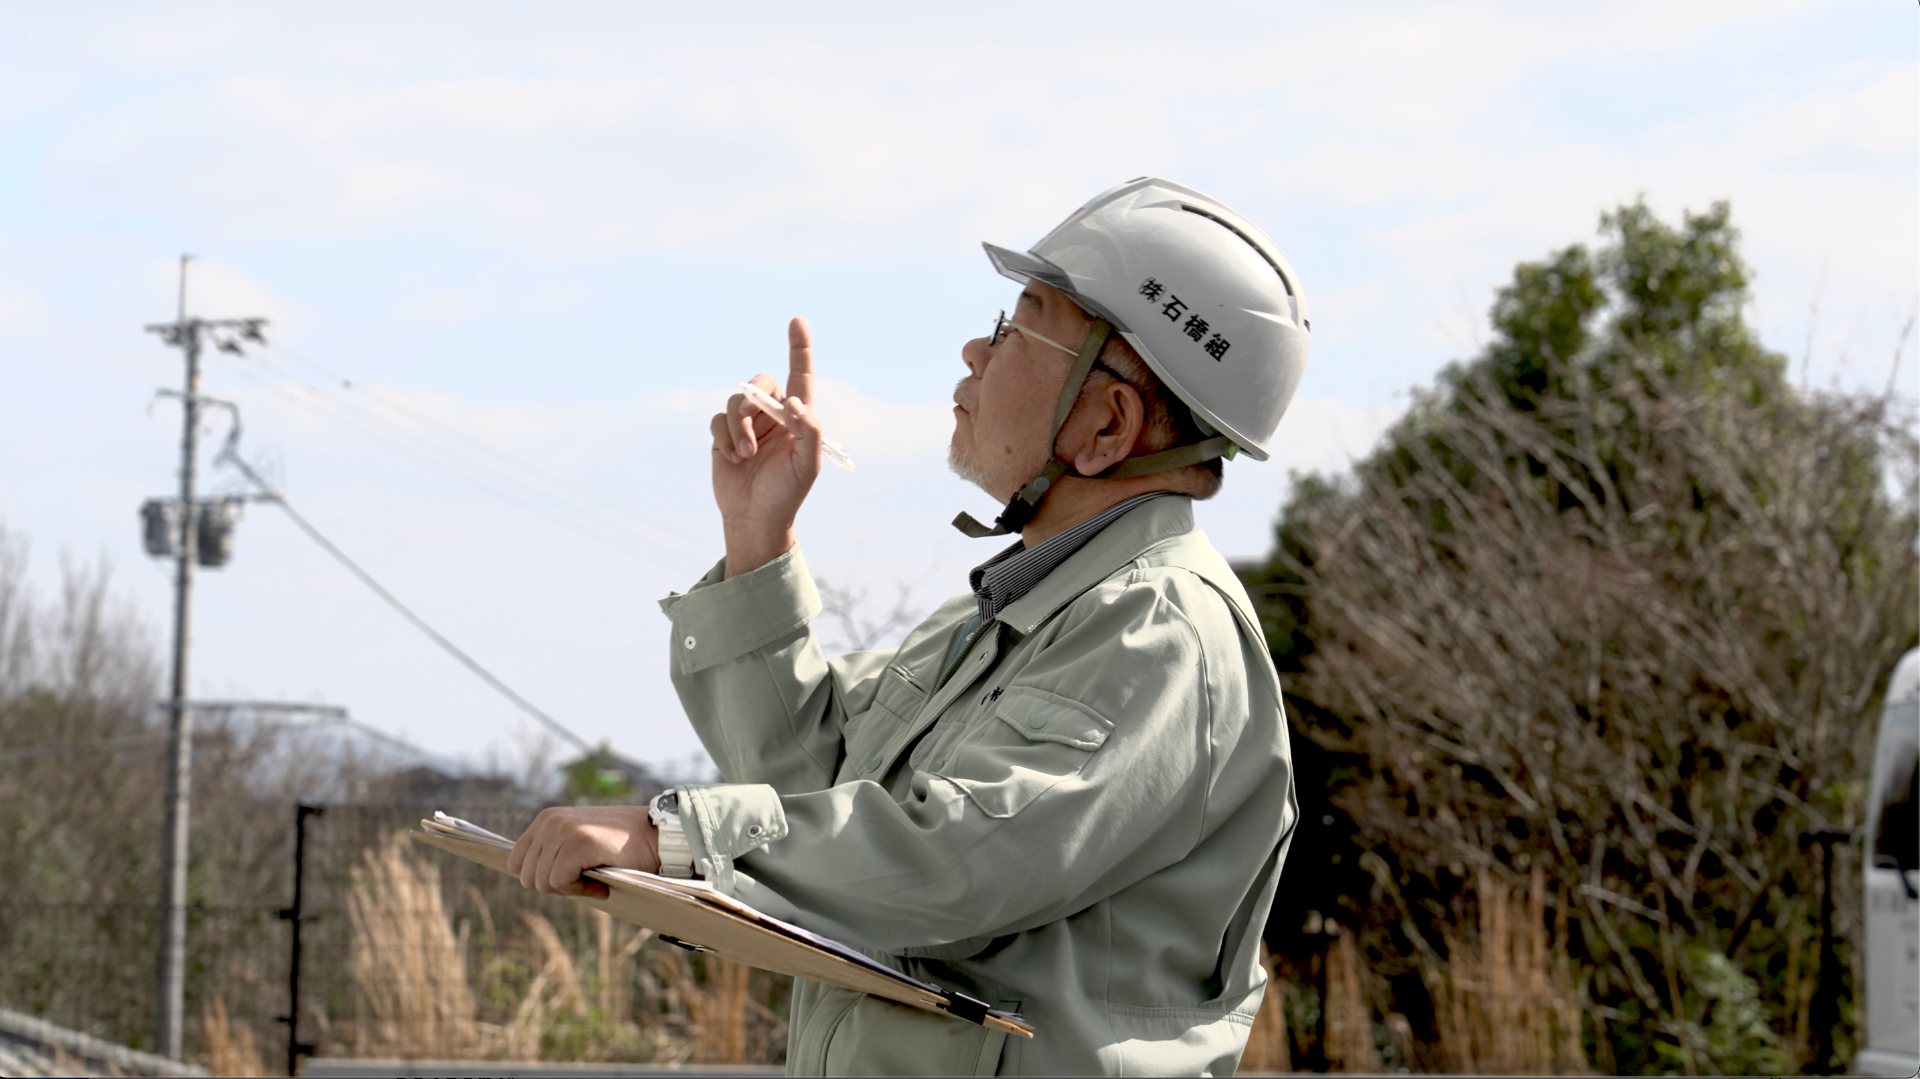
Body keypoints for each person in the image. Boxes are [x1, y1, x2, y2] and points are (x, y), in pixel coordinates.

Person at [509, 177, 1310, 1076]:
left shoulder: (1159, 634)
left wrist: (677, 839)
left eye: (1019, 327)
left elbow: (960, 858)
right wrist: (758, 538)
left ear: (1106, 423)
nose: (976, 347)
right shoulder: (1002, 617)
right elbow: (813, 792)